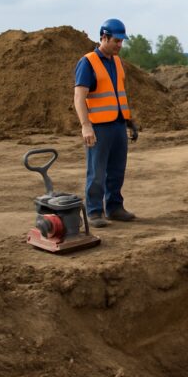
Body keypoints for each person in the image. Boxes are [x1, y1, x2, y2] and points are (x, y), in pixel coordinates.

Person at [73, 18, 139, 228]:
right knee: (97, 172)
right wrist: (86, 126)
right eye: (116, 41)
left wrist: (128, 121)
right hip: (99, 127)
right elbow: (79, 97)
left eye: (121, 41)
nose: (120, 45)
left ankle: (114, 208)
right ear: (104, 37)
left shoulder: (117, 62)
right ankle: (94, 212)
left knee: (117, 170)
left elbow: (118, 94)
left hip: (118, 124)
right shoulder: (88, 62)